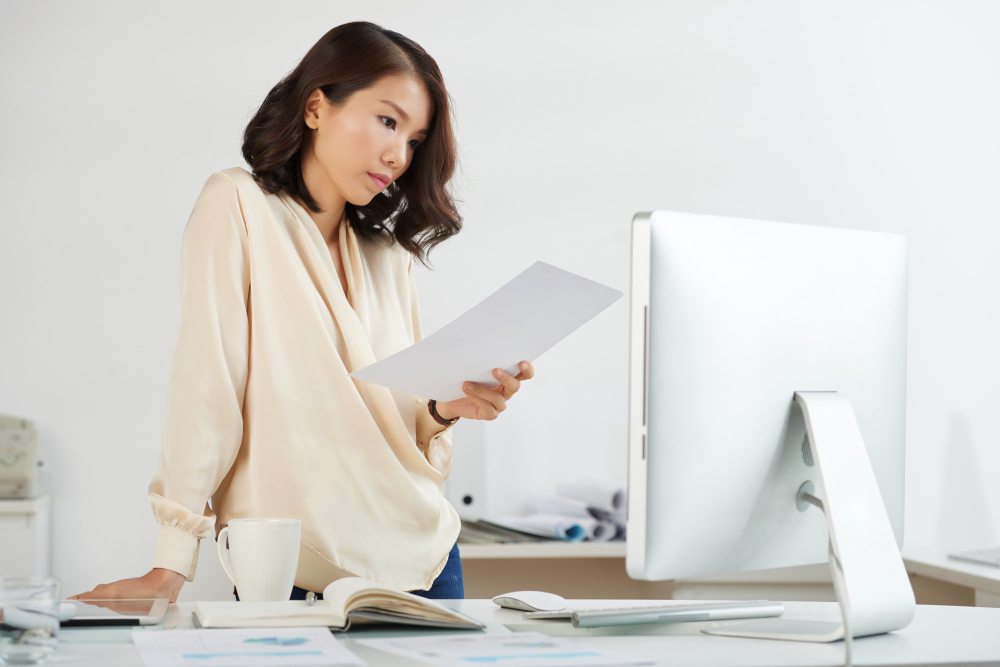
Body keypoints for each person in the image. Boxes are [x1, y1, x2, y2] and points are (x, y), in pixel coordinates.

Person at [71, 21, 533, 603]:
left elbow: (396, 422)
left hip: (425, 558)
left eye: (415, 140)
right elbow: (207, 386)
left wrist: (445, 408)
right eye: (388, 121)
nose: (398, 154)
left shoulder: (387, 253)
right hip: (291, 563)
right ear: (316, 105)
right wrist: (172, 561)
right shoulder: (238, 203)